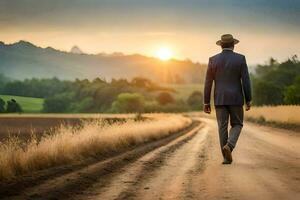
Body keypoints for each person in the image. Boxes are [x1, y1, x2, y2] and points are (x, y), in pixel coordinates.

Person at [203, 34, 252, 164]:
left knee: (222, 127)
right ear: (233, 45)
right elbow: (246, 81)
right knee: (237, 124)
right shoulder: (240, 59)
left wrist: (206, 102)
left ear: (221, 45)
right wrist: (248, 99)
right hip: (236, 98)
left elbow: (208, 82)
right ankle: (229, 146)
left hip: (219, 99)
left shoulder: (213, 60)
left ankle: (225, 158)